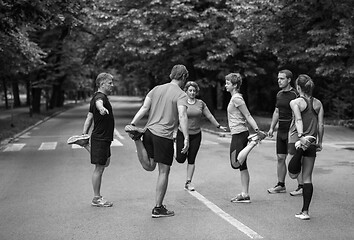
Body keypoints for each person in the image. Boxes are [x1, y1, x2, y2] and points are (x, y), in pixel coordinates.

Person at [125, 65, 189, 218]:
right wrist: (186, 137)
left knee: (149, 166)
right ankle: (158, 208)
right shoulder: (181, 95)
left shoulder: (156, 89)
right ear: (184, 77)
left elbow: (145, 107)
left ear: (171, 75)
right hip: (164, 135)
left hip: (149, 132)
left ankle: (137, 139)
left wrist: (133, 123)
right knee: (163, 171)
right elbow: (182, 116)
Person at [175, 81, 227, 191]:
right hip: (182, 134)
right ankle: (174, 145)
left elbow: (209, 115)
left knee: (192, 159)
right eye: (190, 90)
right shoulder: (182, 102)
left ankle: (188, 182)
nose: (192, 92)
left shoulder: (200, 103)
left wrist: (218, 126)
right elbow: (179, 116)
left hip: (196, 135)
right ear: (186, 91)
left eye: (194, 90)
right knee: (180, 159)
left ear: (196, 92)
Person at [225, 73, 267, 203]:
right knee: (242, 165)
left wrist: (257, 131)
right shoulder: (235, 98)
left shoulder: (237, 98)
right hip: (237, 133)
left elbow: (248, 115)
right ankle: (245, 194)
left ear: (235, 85)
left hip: (239, 134)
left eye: (228, 83)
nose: (226, 85)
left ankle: (253, 142)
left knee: (235, 163)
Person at [287, 74, 324, 220]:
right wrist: (320, 142)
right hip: (313, 141)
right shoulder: (318, 103)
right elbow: (320, 124)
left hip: (300, 140)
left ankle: (300, 150)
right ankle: (305, 212)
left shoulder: (295, 102)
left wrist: (301, 137)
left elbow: (298, 119)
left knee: (293, 174)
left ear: (298, 87)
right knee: (307, 178)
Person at [81, 72, 115, 207]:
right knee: (99, 168)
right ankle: (96, 198)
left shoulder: (96, 96)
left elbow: (89, 117)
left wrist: (84, 133)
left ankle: (84, 143)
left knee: (106, 163)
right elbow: (99, 104)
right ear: (102, 84)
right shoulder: (100, 97)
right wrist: (101, 109)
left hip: (104, 138)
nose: (112, 85)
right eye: (110, 83)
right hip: (100, 138)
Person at [267, 70, 302, 196]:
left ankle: (301, 186)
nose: (279, 81)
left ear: (289, 80)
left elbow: (299, 114)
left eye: (282, 78)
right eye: (278, 78)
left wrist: (298, 131)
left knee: (293, 159)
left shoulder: (295, 95)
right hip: (281, 130)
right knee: (280, 158)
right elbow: (276, 111)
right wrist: (271, 128)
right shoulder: (279, 94)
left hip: (291, 130)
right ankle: (281, 185)